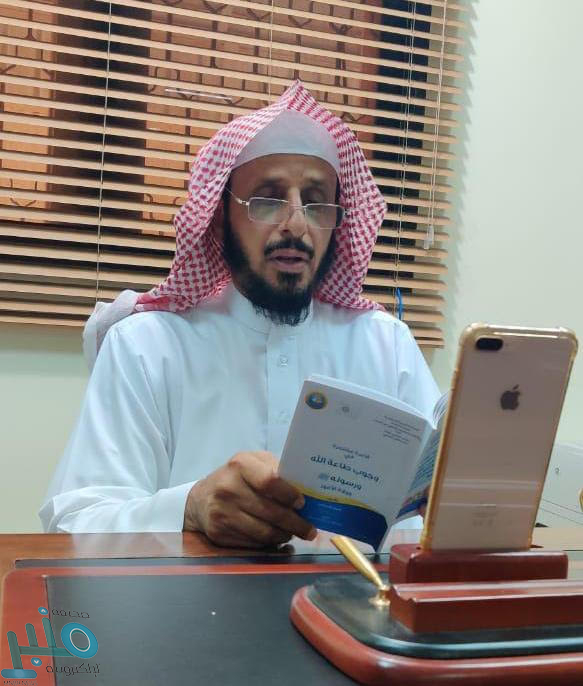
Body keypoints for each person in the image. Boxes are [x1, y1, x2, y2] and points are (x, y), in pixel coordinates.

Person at [40, 81, 440, 547]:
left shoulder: (386, 345)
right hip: (190, 596)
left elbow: (426, 517)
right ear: (219, 218)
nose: (296, 224)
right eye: (268, 199)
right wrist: (190, 507)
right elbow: (74, 524)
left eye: (316, 203)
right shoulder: (149, 345)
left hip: (355, 595)